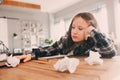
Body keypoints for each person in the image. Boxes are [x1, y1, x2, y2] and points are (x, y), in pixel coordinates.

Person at [16, 12, 116, 62]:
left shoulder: (96, 41)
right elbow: (52, 49)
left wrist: (92, 31)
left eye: (80, 29)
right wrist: (32, 54)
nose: (74, 32)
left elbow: (109, 52)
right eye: (73, 27)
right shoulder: (65, 40)